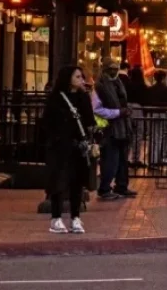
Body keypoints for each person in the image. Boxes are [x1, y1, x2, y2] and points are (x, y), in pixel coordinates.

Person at [44, 65, 96, 234]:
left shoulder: (83, 98)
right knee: (59, 182)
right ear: (68, 79)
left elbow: (90, 121)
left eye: (82, 77)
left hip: (78, 146)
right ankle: (56, 218)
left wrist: (93, 136)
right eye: (78, 77)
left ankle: (75, 217)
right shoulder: (56, 99)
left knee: (77, 183)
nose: (82, 80)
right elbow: (48, 123)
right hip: (60, 147)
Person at [92, 57, 136, 200]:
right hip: (109, 128)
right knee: (111, 160)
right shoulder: (99, 86)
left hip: (123, 127)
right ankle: (105, 189)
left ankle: (121, 186)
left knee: (123, 160)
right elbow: (97, 109)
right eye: (111, 69)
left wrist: (125, 111)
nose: (114, 72)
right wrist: (117, 113)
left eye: (116, 69)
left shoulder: (118, 83)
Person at [127, 65, 148, 167]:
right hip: (138, 109)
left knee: (127, 134)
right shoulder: (142, 86)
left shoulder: (128, 85)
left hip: (127, 109)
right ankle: (135, 158)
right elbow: (145, 99)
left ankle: (125, 158)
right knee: (138, 134)